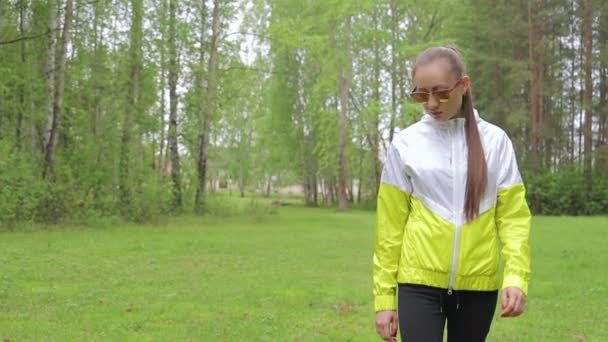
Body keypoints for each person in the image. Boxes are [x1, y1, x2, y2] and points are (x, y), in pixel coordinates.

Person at [372, 46, 531, 342]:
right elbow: (389, 230)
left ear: (464, 85)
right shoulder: (405, 145)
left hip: (478, 288)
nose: (431, 103)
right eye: (421, 95)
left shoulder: (496, 142)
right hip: (417, 284)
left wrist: (516, 277)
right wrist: (384, 300)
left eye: (441, 92)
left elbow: (513, 218)